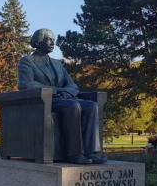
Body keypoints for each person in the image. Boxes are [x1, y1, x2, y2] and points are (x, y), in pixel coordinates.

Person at [18, 28, 106, 164]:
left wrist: (66, 92)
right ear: (38, 41)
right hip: (43, 101)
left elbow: (72, 85)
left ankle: (93, 151)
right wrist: (56, 90)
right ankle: (74, 153)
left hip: (64, 98)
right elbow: (26, 84)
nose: (52, 43)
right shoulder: (27, 61)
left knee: (91, 106)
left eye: (54, 40)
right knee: (73, 106)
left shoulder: (57, 64)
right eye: (48, 39)